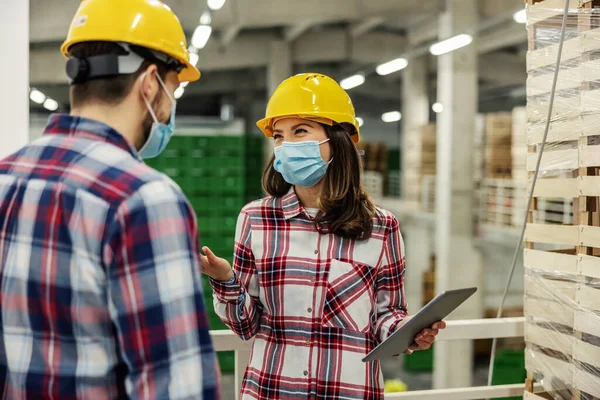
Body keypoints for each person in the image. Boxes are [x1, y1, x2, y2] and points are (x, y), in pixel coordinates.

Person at [0, 0, 220, 398]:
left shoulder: (6, 178)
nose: (171, 106)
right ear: (150, 83)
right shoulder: (143, 200)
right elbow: (177, 386)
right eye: (175, 88)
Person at [200, 73, 445, 399]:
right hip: (273, 390)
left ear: (338, 139)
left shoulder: (382, 227)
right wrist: (226, 279)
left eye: (300, 131)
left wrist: (407, 331)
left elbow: (387, 316)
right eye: (279, 136)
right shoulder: (256, 219)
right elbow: (247, 325)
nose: (286, 146)